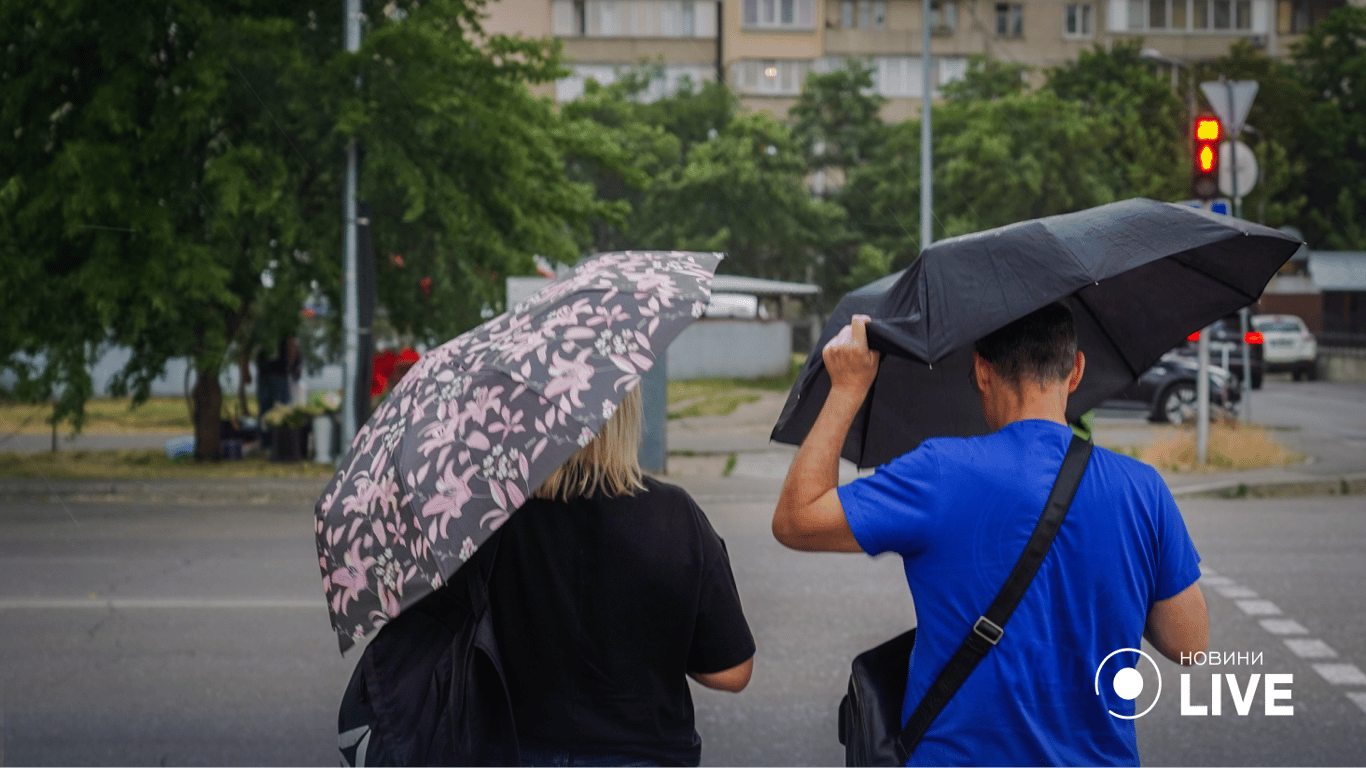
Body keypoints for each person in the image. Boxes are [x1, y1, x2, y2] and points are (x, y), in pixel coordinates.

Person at [772, 303, 1209, 767]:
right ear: (1076, 370)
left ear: (981, 371)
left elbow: (795, 520)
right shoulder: (1142, 489)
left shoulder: (939, 472)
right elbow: (1189, 644)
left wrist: (847, 388)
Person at [488, 385, 756, 768]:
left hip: (512, 748)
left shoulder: (491, 520)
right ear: (625, 415)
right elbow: (731, 672)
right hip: (644, 752)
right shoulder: (675, 514)